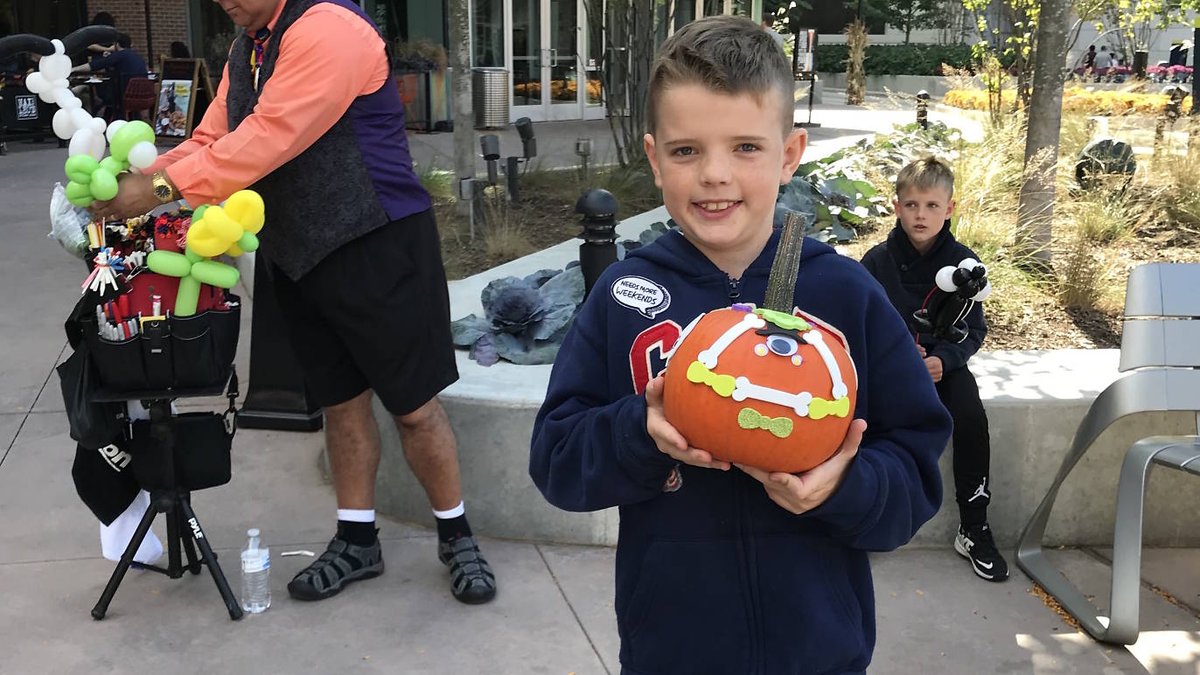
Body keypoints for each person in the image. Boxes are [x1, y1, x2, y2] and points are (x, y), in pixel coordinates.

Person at [530, 15, 952, 674]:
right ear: (653, 157)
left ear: (789, 154)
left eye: (746, 148)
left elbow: (915, 462)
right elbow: (557, 457)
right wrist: (638, 429)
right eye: (687, 150)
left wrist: (848, 485)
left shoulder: (846, 294)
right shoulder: (623, 294)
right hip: (671, 648)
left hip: (820, 647)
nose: (714, 175)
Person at [90, 0, 496, 606]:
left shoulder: (330, 27)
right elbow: (212, 137)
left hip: (375, 240)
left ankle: (457, 534)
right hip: (300, 253)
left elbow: (267, 137)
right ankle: (358, 541)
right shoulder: (246, 47)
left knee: (415, 407)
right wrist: (124, 185)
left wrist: (156, 190)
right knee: (340, 404)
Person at [860, 156, 1009, 583]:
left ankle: (974, 525)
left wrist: (944, 360)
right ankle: (868, 515)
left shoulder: (965, 264)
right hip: (890, 367)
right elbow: (861, 319)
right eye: (911, 205)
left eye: (930, 205)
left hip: (941, 367)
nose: (920, 215)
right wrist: (892, 358)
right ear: (896, 207)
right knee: (862, 416)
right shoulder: (877, 261)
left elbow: (974, 328)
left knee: (969, 415)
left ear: (949, 208)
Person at [71, 33, 148, 120]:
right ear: (130, 44)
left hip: (123, 97)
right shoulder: (138, 57)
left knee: (100, 95)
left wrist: (73, 69)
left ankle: (98, 116)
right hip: (144, 96)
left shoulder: (119, 55)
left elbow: (94, 65)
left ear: (117, 45)